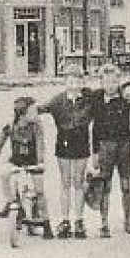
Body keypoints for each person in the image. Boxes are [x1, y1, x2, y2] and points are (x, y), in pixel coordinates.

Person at [41, 65, 97, 239]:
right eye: (70, 80)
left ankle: (79, 221)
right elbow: (40, 109)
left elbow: (102, 103)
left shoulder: (89, 99)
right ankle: (65, 220)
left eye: (78, 80)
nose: (74, 84)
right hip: (64, 142)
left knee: (78, 182)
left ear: (83, 81)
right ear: (65, 82)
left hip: (81, 142)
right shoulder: (57, 100)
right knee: (65, 182)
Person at [0, 96, 51, 239]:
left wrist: (40, 162)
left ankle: (47, 225)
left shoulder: (37, 126)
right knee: (4, 175)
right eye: (32, 111)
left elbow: (41, 144)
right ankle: (11, 201)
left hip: (33, 160)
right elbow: (0, 144)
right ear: (23, 113)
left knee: (39, 191)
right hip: (17, 160)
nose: (36, 113)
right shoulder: (11, 125)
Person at [90, 63, 130, 238]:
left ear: (119, 81)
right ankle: (104, 224)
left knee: (126, 184)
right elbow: (94, 128)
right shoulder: (96, 98)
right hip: (104, 145)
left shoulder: (126, 97)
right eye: (107, 81)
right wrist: (94, 152)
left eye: (114, 81)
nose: (111, 85)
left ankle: (127, 221)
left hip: (124, 144)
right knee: (105, 185)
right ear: (101, 82)